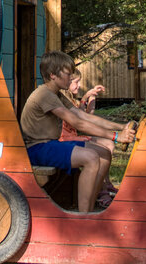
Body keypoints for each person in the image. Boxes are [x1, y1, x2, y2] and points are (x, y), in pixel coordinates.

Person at [21, 51, 136, 214]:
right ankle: (83, 217)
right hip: (37, 148)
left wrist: (121, 126)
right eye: (67, 74)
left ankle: (89, 210)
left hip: (49, 145)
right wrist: (116, 137)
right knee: (91, 158)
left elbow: (83, 116)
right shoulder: (44, 95)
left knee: (104, 154)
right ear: (53, 75)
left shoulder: (56, 94)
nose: (70, 78)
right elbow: (78, 123)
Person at [58, 72, 116, 203]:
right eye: (76, 82)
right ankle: (101, 189)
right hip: (65, 139)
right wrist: (85, 97)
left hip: (74, 137)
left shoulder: (72, 100)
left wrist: (91, 98)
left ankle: (104, 184)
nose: (79, 85)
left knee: (109, 144)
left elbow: (88, 116)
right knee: (102, 147)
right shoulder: (62, 101)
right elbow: (79, 122)